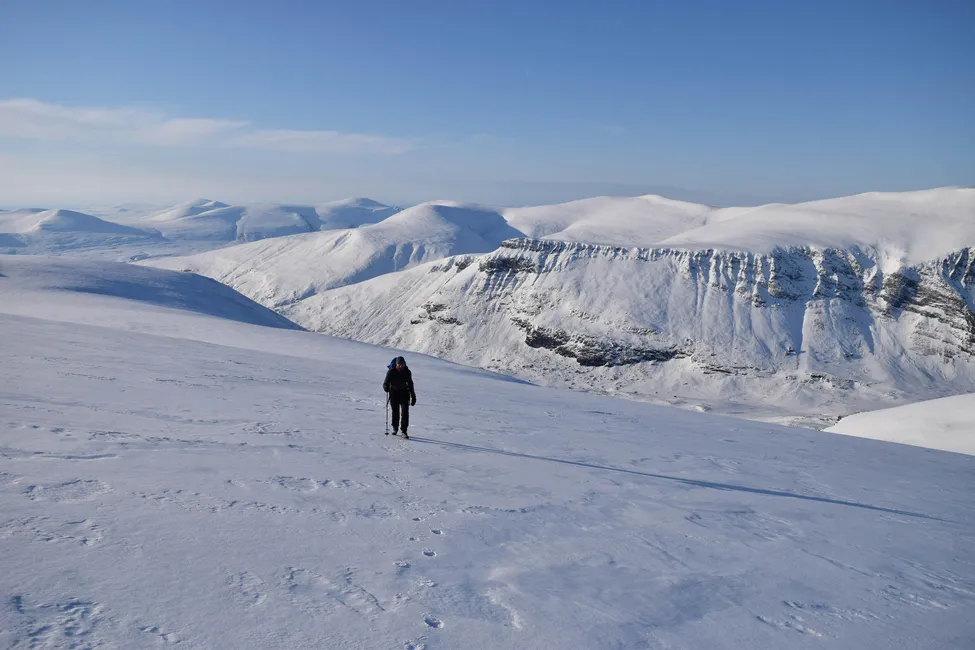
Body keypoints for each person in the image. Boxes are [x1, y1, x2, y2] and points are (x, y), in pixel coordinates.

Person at [383, 356, 416, 438]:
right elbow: (385, 383)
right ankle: (395, 427)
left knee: (405, 413)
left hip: (404, 393)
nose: (400, 366)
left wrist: (413, 396)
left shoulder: (407, 372)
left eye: (402, 364)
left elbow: (410, 384)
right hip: (394, 393)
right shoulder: (391, 372)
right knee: (395, 412)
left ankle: (404, 431)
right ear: (396, 364)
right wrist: (385, 387)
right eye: (399, 364)